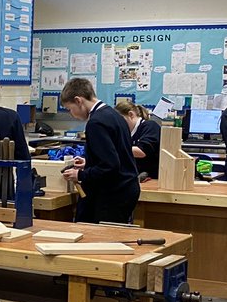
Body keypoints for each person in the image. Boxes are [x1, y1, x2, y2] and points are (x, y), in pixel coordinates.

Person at [60, 77, 141, 223]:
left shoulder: (96, 122)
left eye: (69, 109)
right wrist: (89, 163)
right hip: (126, 188)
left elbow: (110, 166)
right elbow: (116, 155)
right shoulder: (113, 114)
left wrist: (80, 174)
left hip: (113, 193)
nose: (71, 114)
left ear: (78, 101)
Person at [116, 101, 160, 180]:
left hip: (152, 178)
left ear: (131, 114)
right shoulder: (126, 133)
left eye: (120, 119)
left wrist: (113, 148)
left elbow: (142, 151)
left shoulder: (150, 126)